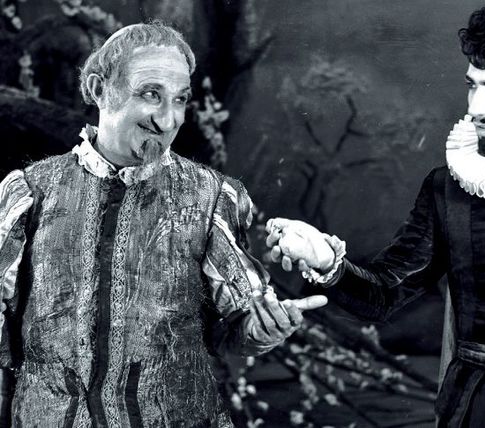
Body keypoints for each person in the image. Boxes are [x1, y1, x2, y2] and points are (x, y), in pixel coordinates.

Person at [266, 0, 485, 426]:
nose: (476, 107)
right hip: (464, 413)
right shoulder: (448, 186)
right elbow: (384, 294)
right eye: (472, 85)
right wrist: (326, 260)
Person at [0, 22, 327, 427]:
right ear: (100, 89)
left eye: (180, 99)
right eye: (150, 94)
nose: (168, 119)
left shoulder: (209, 196)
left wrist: (264, 327)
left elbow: (236, 326)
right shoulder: (31, 192)